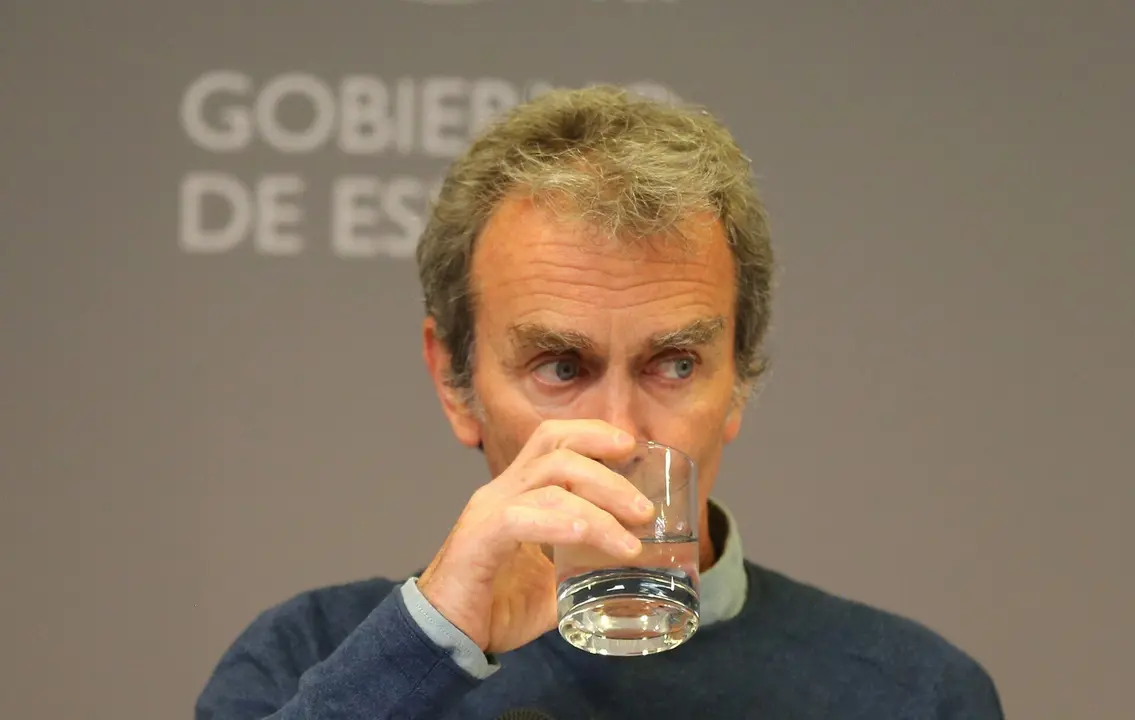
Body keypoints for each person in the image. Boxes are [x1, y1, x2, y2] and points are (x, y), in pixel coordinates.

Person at [195, 86, 1004, 719]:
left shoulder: (912, 692)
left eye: (674, 364)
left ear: (739, 380)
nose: (617, 433)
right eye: (559, 366)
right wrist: (429, 642)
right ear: (454, 383)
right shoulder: (306, 657)